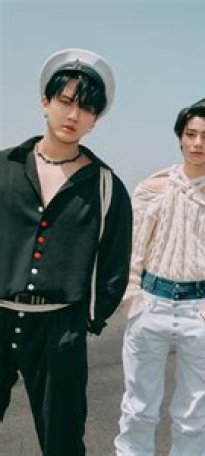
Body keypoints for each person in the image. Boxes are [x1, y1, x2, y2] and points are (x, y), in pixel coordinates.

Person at [0, 48, 132, 455]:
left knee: (63, 442)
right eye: (65, 101)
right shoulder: (4, 168)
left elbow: (114, 265)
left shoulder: (106, 186)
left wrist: (86, 319)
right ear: (45, 102)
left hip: (60, 329)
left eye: (86, 108)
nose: (73, 114)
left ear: (95, 120)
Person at [113, 94, 205, 456]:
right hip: (151, 305)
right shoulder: (152, 188)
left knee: (193, 416)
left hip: (200, 312)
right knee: (138, 409)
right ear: (180, 137)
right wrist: (133, 299)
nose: (198, 143)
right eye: (191, 134)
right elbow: (132, 249)